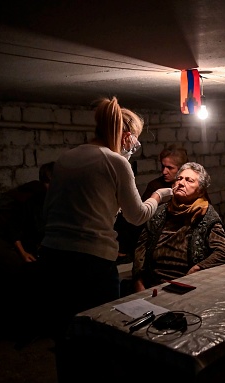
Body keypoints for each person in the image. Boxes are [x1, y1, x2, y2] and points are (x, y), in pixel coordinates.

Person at [38, 97, 172, 340]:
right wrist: (158, 195)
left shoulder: (67, 158)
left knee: (64, 330)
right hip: (91, 262)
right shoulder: (116, 161)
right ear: (127, 137)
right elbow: (137, 215)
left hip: (52, 256)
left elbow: (48, 210)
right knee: (101, 329)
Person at [132, 162, 225, 292]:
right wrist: (138, 281)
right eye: (179, 179)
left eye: (189, 180)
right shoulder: (160, 212)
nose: (181, 183)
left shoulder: (206, 216)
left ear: (200, 191)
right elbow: (141, 248)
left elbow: (223, 252)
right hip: (153, 282)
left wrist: (197, 268)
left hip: (186, 284)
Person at [114, 144, 188, 263]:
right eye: (163, 166)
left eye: (170, 168)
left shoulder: (190, 187)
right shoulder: (155, 185)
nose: (164, 171)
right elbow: (140, 216)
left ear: (181, 169)